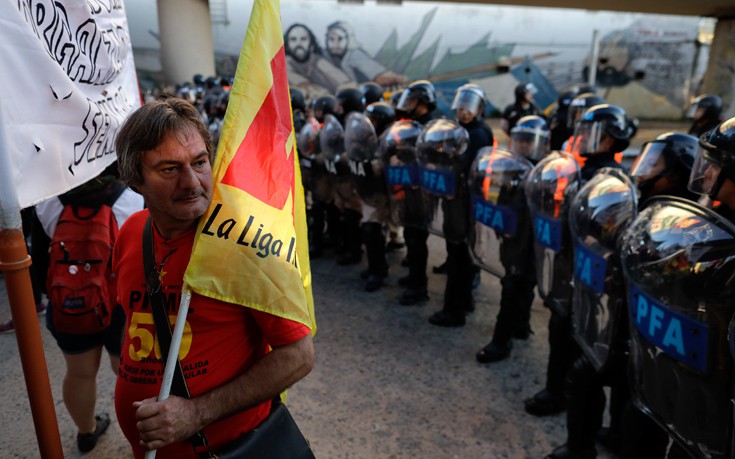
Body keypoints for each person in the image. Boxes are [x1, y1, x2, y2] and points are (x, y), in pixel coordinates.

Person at [112, 97, 315, 458]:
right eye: (170, 170)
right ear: (135, 180)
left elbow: (298, 354)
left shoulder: (244, 243)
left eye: (200, 162)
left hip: (227, 450)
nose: (192, 182)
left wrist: (195, 413)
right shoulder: (131, 231)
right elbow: (130, 317)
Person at [525, 104, 634, 418]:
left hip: (589, 276)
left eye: (593, 133)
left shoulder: (614, 180)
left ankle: (563, 397)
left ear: (612, 139)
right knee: (560, 332)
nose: (584, 138)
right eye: (582, 131)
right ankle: (556, 391)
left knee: (576, 342)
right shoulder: (579, 169)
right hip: (569, 269)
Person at [34, 168, 144, 452]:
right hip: (122, 303)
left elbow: (38, 264)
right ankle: (143, 439)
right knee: (131, 372)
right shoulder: (131, 198)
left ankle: (87, 433)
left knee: (79, 372)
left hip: (69, 303)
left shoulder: (47, 201)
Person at [476, 115, 548, 361]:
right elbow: (494, 197)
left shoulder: (546, 172)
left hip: (533, 241)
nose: (525, 146)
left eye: (530, 141)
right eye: (521, 140)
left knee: (523, 286)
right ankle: (510, 334)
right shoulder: (507, 166)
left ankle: (512, 333)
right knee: (513, 286)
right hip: (513, 238)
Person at [428, 84, 493, 327]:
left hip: (464, 202)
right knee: (461, 256)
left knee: (459, 256)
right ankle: (463, 302)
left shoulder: (477, 133)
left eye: (470, 107)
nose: (464, 111)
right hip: (459, 200)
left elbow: (463, 165)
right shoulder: (462, 130)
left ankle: (453, 311)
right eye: (462, 106)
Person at [395, 80, 439, 305]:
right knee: (412, 237)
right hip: (410, 188)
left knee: (417, 238)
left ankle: (419, 288)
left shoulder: (429, 127)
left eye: (412, 100)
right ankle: (414, 276)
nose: (408, 104)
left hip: (421, 192)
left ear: (422, 102)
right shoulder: (414, 123)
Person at [325, 21, 407, 87]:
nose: (335, 44)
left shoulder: (354, 55)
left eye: (340, 39)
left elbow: (381, 76)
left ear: (349, 39)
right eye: (331, 39)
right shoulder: (327, 56)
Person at [284, 23, 351, 97]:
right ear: (287, 44)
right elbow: (300, 82)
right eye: (293, 39)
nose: (298, 43)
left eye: (303, 39)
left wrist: (347, 87)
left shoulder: (317, 60)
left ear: (311, 43)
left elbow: (341, 79)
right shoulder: (284, 64)